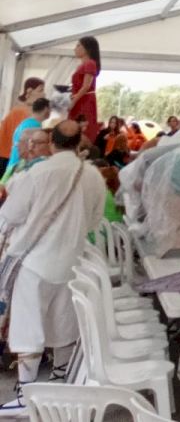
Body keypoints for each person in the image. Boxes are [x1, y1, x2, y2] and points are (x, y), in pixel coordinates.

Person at [0, 119, 105, 411]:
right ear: (79, 142)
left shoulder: (39, 173)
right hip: (73, 261)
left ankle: (25, 396)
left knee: (28, 328)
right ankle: (59, 382)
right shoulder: (93, 175)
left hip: (35, 263)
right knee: (64, 323)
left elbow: (10, 215)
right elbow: (94, 220)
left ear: (52, 142)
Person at [0, 78, 44, 175]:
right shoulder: (24, 112)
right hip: (8, 155)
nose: (43, 94)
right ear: (29, 91)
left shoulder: (21, 110)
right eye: (40, 90)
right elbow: (20, 139)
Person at [68, 37, 102, 143]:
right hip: (79, 99)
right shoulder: (81, 65)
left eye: (78, 45)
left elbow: (86, 86)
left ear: (87, 49)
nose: (75, 49)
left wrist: (73, 101)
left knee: (82, 130)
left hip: (84, 101)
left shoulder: (90, 63)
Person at [0, 127, 52, 196]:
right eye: (31, 142)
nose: (32, 146)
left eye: (38, 142)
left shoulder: (45, 167)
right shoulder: (19, 165)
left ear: (50, 145)